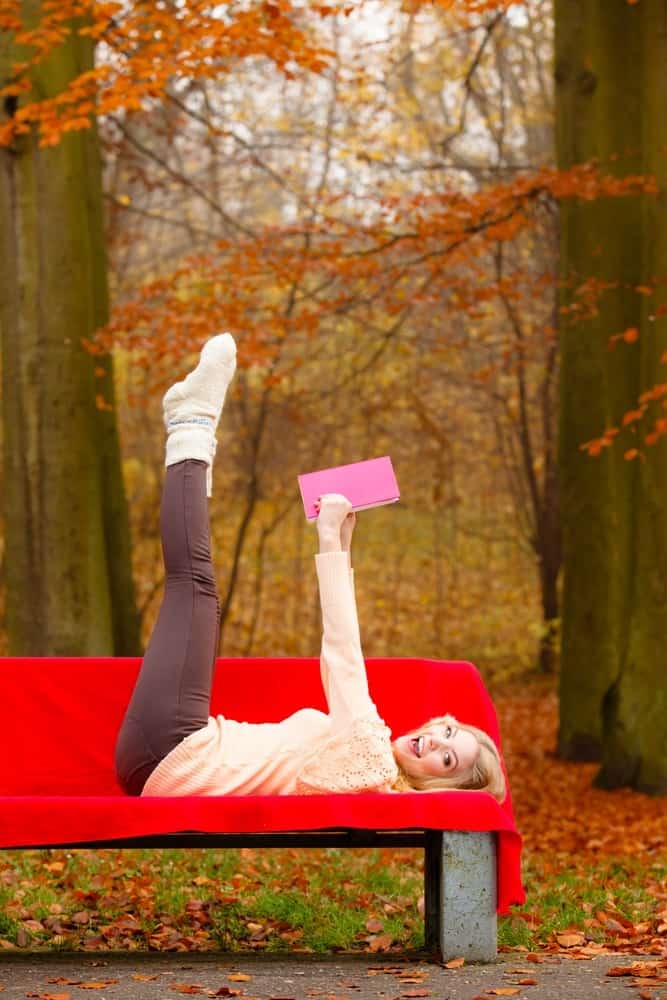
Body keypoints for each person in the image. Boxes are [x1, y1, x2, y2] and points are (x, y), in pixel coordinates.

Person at [115, 334, 506, 801]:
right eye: (447, 730)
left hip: (175, 755)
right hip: (171, 752)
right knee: (194, 588)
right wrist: (340, 541)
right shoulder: (369, 758)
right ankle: (189, 426)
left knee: (196, 587)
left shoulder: (373, 760)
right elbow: (340, 671)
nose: (436, 742)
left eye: (447, 759)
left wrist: (329, 544)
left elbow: (343, 655)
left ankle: (191, 422)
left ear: (443, 784)